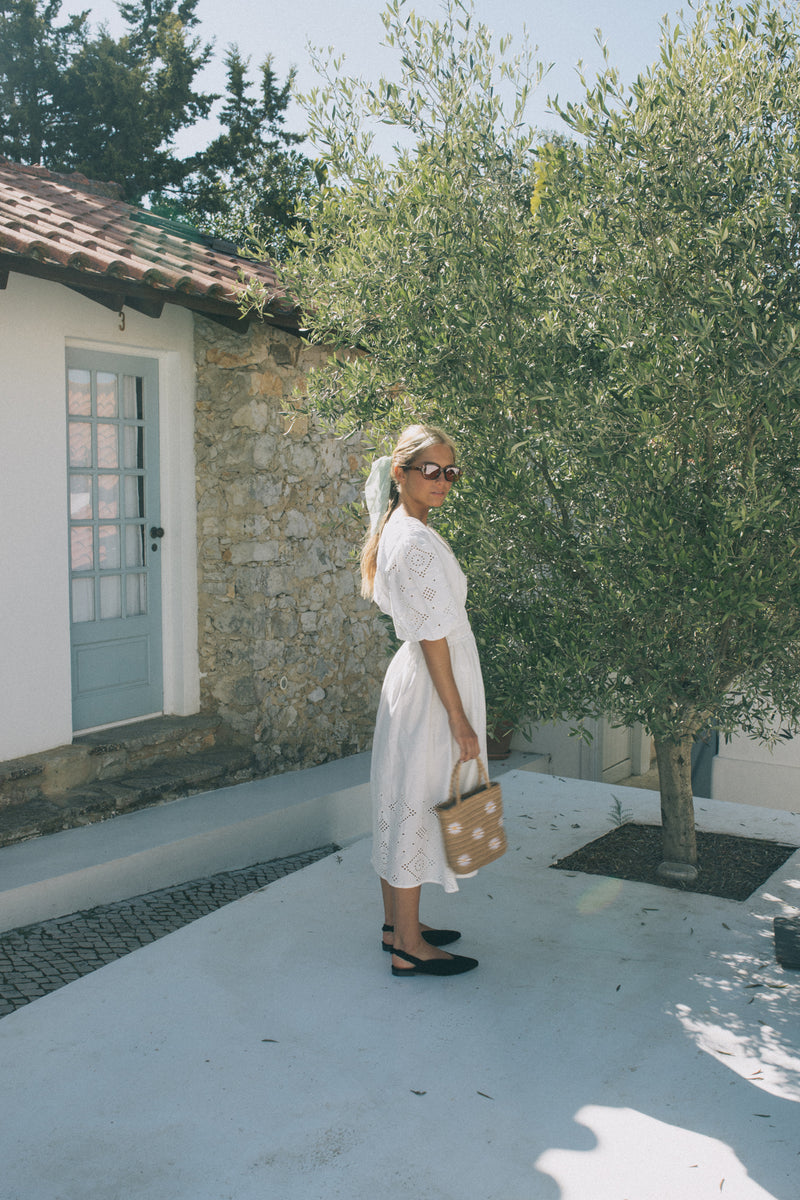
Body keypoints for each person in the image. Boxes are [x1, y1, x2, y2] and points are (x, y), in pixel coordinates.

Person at [362, 424, 487, 978]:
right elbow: (435, 634)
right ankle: (409, 947)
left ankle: (397, 924)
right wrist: (459, 719)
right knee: (417, 801)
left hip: (418, 678)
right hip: (434, 686)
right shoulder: (411, 541)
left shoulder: (401, 527)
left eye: (449, 471)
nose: (441, 481)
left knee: (400, 795)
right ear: (401, 473)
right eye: (429, 470)